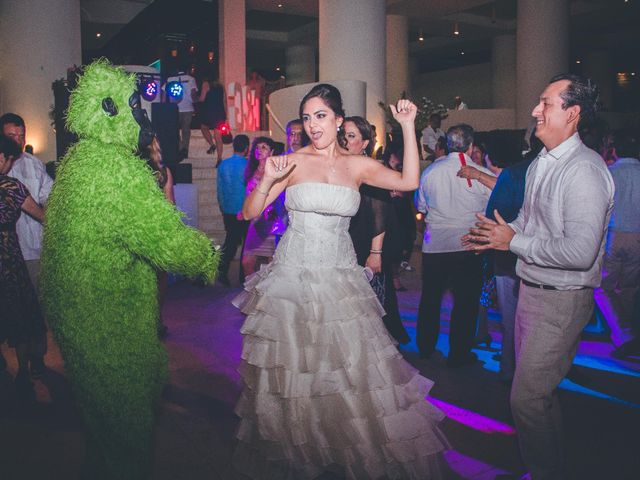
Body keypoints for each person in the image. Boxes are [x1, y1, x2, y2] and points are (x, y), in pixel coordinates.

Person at [232, 84, 449, 478]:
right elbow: (249, 213)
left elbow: (409, 182)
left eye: (321, 116)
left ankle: (343, 451)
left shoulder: (357, 165)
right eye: (308, 117)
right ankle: (302, 454)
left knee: (349, 372)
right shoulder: (291, 162)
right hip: (293, 281)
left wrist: (408, 126)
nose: (313, 125)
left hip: (340, 279)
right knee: (297, 372)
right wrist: (266, 179)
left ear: (337, 119)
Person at [464, 74, 614, 479]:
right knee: (538, 397)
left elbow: (580, 253)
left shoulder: (584, 170)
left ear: (573, 113)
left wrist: (512, 242)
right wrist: (497, 234)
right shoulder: (542, 165)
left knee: (527, 399)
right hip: (531, 291)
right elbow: (529, 222)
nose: (535, 111)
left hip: (561, 300)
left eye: (545, 103)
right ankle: (547, 466)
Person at [415, 124, 494, 367]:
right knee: (466, 302)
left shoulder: (430, 172)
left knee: (430, 298)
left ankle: (425, 347)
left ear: (448, 144)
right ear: (471, 146)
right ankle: (459, 354)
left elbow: (421, 208)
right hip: (467, 245)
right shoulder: (481, 173)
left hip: (435, 246)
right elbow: (495, 206)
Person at [458, 130, 534, 382]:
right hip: (535, 251)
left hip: (509, 251)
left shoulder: (513, 175)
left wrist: (481, 240)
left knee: (512, 312)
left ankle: (511, 368)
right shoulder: (534, 169)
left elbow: (494, 214)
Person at [343, 116, 410, 344]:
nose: (345, 140)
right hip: (345, 241)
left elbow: (381, 211)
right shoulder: (342, 167)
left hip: (366, 242)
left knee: (372, 301)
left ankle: (376, 346)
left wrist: (376, 253)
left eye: (351, 136)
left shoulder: (371, 169)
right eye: (342, 134)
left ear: (364, 143)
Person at [0, 113, 52, 378]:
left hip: (31, 250)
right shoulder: (10, 182)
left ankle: (36, 359)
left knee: (34, 309)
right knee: (15, 312)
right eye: (12, 137)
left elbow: (46, 198)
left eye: (21, 135)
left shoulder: (34, 164)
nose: (18, 141)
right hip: (9, 255)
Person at [593, 129, 640, 356]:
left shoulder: (610, 173)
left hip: (614, 234)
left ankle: (622, 332)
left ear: (615, 150)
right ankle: (623, 328)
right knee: (628, 287)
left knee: (603, 287)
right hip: (638, 236)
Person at [142, 136, 175, 337]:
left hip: (140, 231)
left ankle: (147, 322)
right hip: (155, 231)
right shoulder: (163, 172)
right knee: (158, 279)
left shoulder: (127, 171)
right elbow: (170, 204)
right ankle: (156, 321)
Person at [241, 136, 279, 276]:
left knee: (272, 263)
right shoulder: (251, 170)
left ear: (271, 151)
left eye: (264, 147)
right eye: (257, 147)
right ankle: (250, 294)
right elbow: (248, 195)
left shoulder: (275, 171)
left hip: (270, 223)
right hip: (255, 223)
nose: (259, 150)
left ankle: (268, 295)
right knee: (247, 262)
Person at [217, 134, 250, 286]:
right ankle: (243, 277)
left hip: (228, 209)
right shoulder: (248, 165)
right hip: (244, 210)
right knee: (246, 244)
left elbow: (219, 189)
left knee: (230, 241)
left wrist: (223, 207)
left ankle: (222, 271)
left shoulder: (223, 165)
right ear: (246, 148)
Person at [163, 71, 197, 159]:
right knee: (186, 130)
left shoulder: (170, 79)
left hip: (174, 107)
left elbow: (164, 92)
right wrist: (195, 103)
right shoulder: (191, 79)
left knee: (175, 130)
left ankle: (180, 147)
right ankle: (185, 149)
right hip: (188, 108)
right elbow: (193, 93)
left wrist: (163, 105)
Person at [198, 77, 226, 166]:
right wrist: (226, 115)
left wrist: (195, 97)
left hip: (209, 112)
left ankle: (212, 144)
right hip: (220, 112)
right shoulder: (221, 86)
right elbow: (224, 101)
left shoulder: (206, 84)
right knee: (218, 136)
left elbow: (202, 98)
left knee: (203, 127)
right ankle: (219, 158)